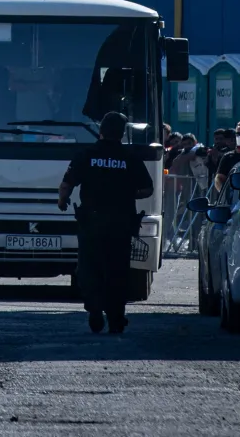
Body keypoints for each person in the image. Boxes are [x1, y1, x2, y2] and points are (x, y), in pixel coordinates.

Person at [57, 111, 153, 334]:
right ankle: (116, 318)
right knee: (117, 270)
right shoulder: (130, 157)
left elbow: (66, 184)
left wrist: (62, 201)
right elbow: (147, 189)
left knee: (89, 268)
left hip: (91, 222)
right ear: (122, 133)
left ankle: (94, 309)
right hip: (121, 223)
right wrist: (126, 194)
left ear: (100, 131)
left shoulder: (87, 155)